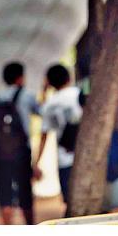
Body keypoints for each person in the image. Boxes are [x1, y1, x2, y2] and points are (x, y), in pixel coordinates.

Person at [0, 61, 40, 225]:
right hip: (22, 152)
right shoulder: (27, 95)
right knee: (25, 192)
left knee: (5, 194)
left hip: (1, 153)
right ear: (20, 78)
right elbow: (40, 111)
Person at [35, 64, 82, 212]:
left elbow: (44, 136)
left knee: (70, 199)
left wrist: (36, 163)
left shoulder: (50, 104)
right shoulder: (79, 94)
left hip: (64, 158)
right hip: (85, 155)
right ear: (68, 77)